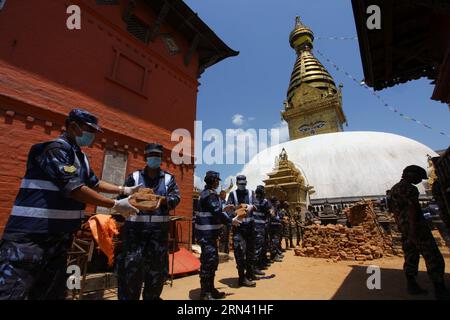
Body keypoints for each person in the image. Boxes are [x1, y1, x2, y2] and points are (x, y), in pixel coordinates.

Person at [0, 109, 139, 300]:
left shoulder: (80, 157)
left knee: (51, 293)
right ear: (73, 126)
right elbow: (75, 189)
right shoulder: (54, 149)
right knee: (12, 293)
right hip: (31, 238)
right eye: (89, 130)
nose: (93, 136)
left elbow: (95, 184)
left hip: (59, 239)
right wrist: (114, 204)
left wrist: (125, 190)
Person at [116, 143, 180, 300]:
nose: (155, 158)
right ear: (146, 157)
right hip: (135, 235)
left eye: (158, 156)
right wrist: (136, 199)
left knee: (156, 275)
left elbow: (176, 198)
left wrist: (161, 200)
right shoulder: (134, 177)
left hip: (158, 236)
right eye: (152, 155)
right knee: (131, 274)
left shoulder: (169, 179)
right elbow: (121, 199)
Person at [390, 165, 450, 300]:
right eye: (417, 177)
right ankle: (439, 288)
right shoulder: (410, 189)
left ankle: (411, 284)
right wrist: (413, 228)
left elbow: (394, 211)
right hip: (417, 228)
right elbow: (412, 210)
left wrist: (404, 228)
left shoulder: (394, 189)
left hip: (404, 229)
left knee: (411, 255)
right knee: (433, 257)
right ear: (410, 175)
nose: (418, 180)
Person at [195, 171, 233, 300]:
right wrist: (231, 221)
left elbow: (214, 211)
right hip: (207, 235)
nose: (218, 182)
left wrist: (224, 209)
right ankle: (205, 293)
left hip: (209, 235)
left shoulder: (207, 194)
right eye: (217, 180)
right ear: (212, 180)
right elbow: (216, 212)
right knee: (208, 263)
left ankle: (211, 289)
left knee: (212, 262)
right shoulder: (210, 195)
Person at [227, 175, 257, 287]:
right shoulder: (232, 194)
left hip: (250, 227)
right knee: (239, 251)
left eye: (244, 184)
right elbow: (228, 208)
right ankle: (241, 277)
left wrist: (249, 206)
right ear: (237, 183)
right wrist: (237, 210)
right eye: (240, 184)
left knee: (250, 251)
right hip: (238, 227)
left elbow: (256, 205)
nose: (242, 186)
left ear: (246, 182)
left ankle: (249, 273)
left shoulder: (251, 193)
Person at [252, 185, 271, 274]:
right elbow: (270, 213)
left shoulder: (252, 200)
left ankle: (259, 264)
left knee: (257, 247)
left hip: (253, 227)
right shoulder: (265, 202)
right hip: (260, 228)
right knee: (258, 248)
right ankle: (255, 267)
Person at [269, 197, 283, 262]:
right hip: (273, 226)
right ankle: (273, 256)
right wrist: (279, 220)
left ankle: (276, 254)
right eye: (277, 201)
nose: (278, 203)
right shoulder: (272, 208)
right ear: (274, 202)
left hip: (276, 225)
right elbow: (272, 216)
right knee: (274, 241)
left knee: (276, 241)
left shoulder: (275, 208)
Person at [218, 190, 232, 255]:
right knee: (222, 238)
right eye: (224, 195)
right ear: (221, 195)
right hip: (222, 223)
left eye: (225, 195)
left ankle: (226, 253)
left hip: (227, 223)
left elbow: (229, 212)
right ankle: (221, 253)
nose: (225, 196)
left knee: (227, 239)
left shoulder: (226, 203)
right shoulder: (218, 202)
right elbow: (222, 212)